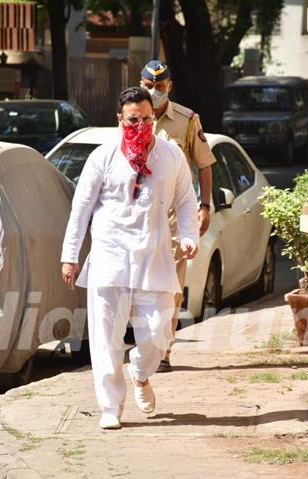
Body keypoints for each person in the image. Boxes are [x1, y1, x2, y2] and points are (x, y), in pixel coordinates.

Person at [60, 87, 199, 430]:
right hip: (110, 258)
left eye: (147, 119)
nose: (141, 125)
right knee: (106, 339)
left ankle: (140, 372)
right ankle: (110, 407)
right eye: (133, 119)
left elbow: (185, 200)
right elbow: (81, 210)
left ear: (154, 118)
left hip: (154, 258)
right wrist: (70, 255)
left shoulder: (170, 155)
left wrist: (189, 236)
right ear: (120, 120)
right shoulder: (103, 156)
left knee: (157, 335)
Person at [140, 60, 215, 373]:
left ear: (169, 86)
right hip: (138, 214)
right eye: (149, 86)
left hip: (173, 216)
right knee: (140, 285)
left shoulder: (187, 120)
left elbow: (204, 164)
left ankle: (163, 351)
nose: (154, 92)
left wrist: (205, 206)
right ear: (140, 84)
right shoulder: (133, 117)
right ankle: (143, 343)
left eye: (160, 87)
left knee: (171, 287)